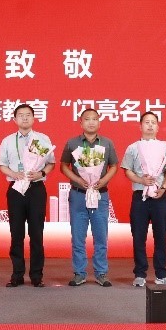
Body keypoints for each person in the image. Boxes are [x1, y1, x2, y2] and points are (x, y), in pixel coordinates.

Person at [0, 103, 54, 287]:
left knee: (37, 233)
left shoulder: (42, 139)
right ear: (14, 119)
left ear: (34, 118)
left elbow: (51, 163)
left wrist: (41, 173)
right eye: (20, 115)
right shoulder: (7, 141)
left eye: (28, 114)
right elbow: (2, 164)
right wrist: (14, 174)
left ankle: (37, 275)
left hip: (36, 188)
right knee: (16, 233)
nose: (24, 118)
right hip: (16, 188)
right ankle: (17, 274)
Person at [60, 108, 119, 287]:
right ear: (81, 123)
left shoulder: (107, 143)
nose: (91, 122)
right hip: (78, 195)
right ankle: (79, 273)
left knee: (101, 236)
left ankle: (101, 273)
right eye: (87, 119)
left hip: (100, 194)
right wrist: (78, 179)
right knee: (78, 237)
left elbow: (114, 166)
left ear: (99, 122)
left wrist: (103, 181)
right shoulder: (72, 143)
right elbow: (64, 165)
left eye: (94, 119)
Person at [121, 111, 166, 288]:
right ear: (140, 126)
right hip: (140, 196)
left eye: (153, 122)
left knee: (161, 236)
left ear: (158, 127)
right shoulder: (133, 148)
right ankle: (139, 274)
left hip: (160, 196)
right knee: (138, 236)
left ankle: (161, 274)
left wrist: (164, 188)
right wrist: (141, 180)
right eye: (146, 122)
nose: (150, 125)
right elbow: (127, 170)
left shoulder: (165, 147)